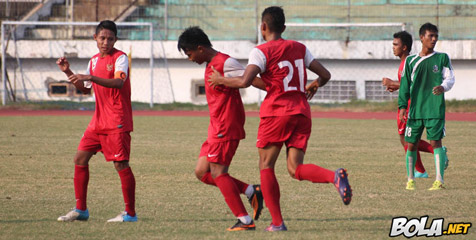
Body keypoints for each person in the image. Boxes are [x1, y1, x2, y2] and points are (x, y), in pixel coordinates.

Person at [208, 6, 352, 231]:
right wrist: (314, 85)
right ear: (283, 28)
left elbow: (245, 81)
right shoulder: (299, 47)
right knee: (295, 168)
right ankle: (333, 176)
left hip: (277, 112)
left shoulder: (260, 51)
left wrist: (221, 80)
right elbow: (325, 75)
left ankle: (277, 223)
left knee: (266, 165)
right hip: (302, 112)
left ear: (263, 27)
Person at [177, 26, 265, 231]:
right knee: (201, 172)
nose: (190, 59)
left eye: (190, 54)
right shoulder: (210, 64)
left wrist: (280, 88)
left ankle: (244, 220)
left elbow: (252, 81)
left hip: (226, 125)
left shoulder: (225, 62)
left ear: (200, 48)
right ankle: (251, 191)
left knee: (218, 172)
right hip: (215, 125)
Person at [56, 20, 137, 222]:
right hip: (98, 121)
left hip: (117, 120)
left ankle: (130, 214)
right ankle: (81, 210)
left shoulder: (120, 58)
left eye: (110, 38)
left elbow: (119, 82)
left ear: (116, 40)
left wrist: (90, 77)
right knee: (80, 159)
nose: (106, 42)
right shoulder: (93, 61)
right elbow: (86, 89)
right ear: (95, 38)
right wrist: (69, 72)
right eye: (102, 38)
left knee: (121, 164)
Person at [398, 22, 455, 191]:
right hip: (415, 110)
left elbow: (450, 78)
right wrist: (402, 107)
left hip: (434, 109)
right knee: (411, 144)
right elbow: (404, 86)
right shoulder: (411, 61)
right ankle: (410, 180)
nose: (434, 39)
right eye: (431, 36)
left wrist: (443, 87)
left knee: (436, 142)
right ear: (422, 37)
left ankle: (439, 180)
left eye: (436, 36)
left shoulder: (442, 58)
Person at [382, 31, 440, 179]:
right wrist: (395, 87)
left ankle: (436, 154)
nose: (393, 47)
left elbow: (413, 85)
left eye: (396, 45)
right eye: (393, 44)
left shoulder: (408, 62)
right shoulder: (405, 62)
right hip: (407, 104)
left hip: (409, 107)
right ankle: (420, 170)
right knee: (406, 138)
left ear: (404, 47)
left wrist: (392, 83)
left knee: (407, 139)